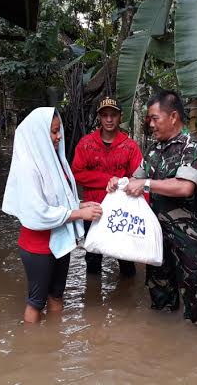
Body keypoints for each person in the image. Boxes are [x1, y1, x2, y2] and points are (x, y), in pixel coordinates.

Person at [109, 90, 197, 325]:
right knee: (159, 295)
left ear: (173, 116)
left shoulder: (192, 146)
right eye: (150, 119)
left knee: (196, 301)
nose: (151, 124)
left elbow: (185, 187)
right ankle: (161, 346)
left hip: (190, 240)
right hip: (157, 237)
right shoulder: (154, 150)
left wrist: (144, 184)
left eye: (155, 118)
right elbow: (134, 179)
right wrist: (119, 182)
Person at [2, 108, 102, 323]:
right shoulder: (28, 167)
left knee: (56, 296)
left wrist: (81, 204)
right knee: (36, 302)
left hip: (60, 242)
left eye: (59, 131)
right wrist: (79, 213)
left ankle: (55, 347)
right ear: (38, 133)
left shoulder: (57, 161)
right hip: (38, 246)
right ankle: (33, 349)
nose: (59, 137)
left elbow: (61, 199)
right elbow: (39, 213)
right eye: (53, 132)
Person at [72, 96, 143, 276]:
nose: (109, 119)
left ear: (120, 117)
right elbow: (77, 174)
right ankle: (93, 300)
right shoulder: (86, 144)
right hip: (93, 209)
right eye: (105, 115)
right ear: (99, 117)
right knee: (93, 259)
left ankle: (128, 300)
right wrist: (109, 179)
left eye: (113, 115)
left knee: (126, 259)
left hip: (122, 211)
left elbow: (140, 179)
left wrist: (120, 182)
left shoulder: (130, 146)